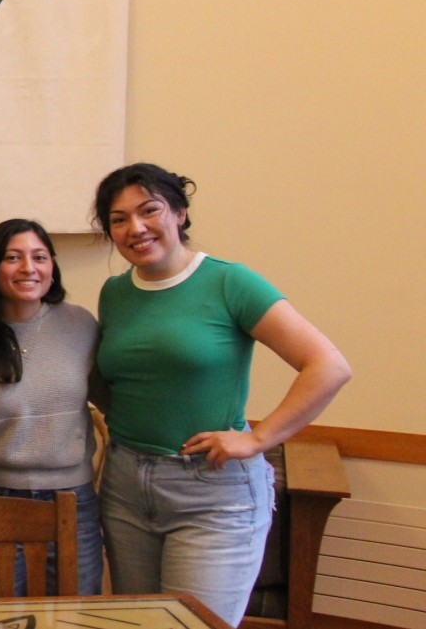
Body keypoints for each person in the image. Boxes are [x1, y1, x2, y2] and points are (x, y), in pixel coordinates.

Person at [91, 163, 351, 625]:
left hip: (213, 493)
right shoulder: (114, 293)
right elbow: (120, 382)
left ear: (180, 213)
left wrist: (257, 438)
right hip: (126, 485)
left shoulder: (230, 281)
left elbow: (328, 366)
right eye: (118, 219)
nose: (136, 228)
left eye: (150, 210)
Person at [0, 218, 104, 595]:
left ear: (52, 268)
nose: (29, 268)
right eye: (13, 257)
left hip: (73, 501)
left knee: (76, 615)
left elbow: (114, 399)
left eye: (39, 257)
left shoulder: (81, 324)